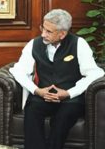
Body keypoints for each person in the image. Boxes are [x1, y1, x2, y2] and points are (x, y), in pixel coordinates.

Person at [9, 9, 104, 149]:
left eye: (48, 31)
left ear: (63, 34)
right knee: (32, 113)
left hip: (70, 99)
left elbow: (95, 73)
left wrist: (69, 93)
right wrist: (37, 91)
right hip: (42, 96)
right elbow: (18, 71)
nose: (43, 34)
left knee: (62, 118)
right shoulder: (33, 44)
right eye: (43, 28)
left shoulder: (79, 44)